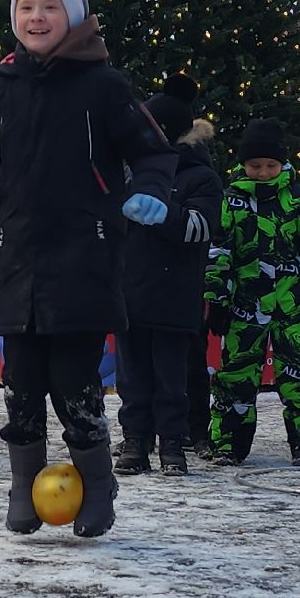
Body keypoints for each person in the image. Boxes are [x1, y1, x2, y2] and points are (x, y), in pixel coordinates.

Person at [0, 0, 176, 538]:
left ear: (71, 16)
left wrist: (150, 192)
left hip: (84, 262)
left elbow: (154, 151)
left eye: (49, 6)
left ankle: (97, 486)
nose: (37, 17)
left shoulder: (104, 86)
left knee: (76, 386)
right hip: (20, 262)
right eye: (26, 7)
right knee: (21, 386)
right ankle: (22, 486)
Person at [205, 118, 300, 467]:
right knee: (236, 374)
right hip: (244, 304)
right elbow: (219, 252)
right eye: (255, 166)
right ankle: (228, 443)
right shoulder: (231, 200)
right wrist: (216, 299)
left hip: (294, 304)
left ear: (282, 164)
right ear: (244, 164)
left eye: (270, 166)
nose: (263, 173)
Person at [115, 76, 222, 477]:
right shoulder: (126, 173)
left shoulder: (200, 177)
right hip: (129, 294)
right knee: (132, 378)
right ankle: (135, 440)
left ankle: (173, 443)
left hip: (175, 297)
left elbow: (200, 228)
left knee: (172, 379)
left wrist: (160, 212)